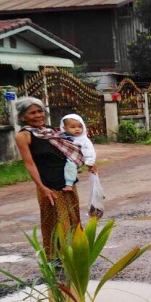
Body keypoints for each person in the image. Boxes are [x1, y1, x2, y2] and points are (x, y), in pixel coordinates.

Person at [14, 97, 91, 259]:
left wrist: (91, 162)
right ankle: (56, 258)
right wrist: (42, 187)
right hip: (49, 186)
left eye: (40, 111)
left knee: (73, 218)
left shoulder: (51, 131)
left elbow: (72, 147)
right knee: (55, 222)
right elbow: (29, 164)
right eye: (32, 113)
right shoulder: (24, 136)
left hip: (67, 183)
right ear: (22, 117)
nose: (38, 115)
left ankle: (76, 254)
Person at [59, 113, 98, 192]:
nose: (77, 129)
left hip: (75, 159)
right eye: (73, 127)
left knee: (70, 166)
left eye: (80, 127)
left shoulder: (83, 140)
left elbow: (89, 151)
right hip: (65, 158)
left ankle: (69, 184)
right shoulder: (62, 137)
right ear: (65, 128)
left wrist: (90, 163)